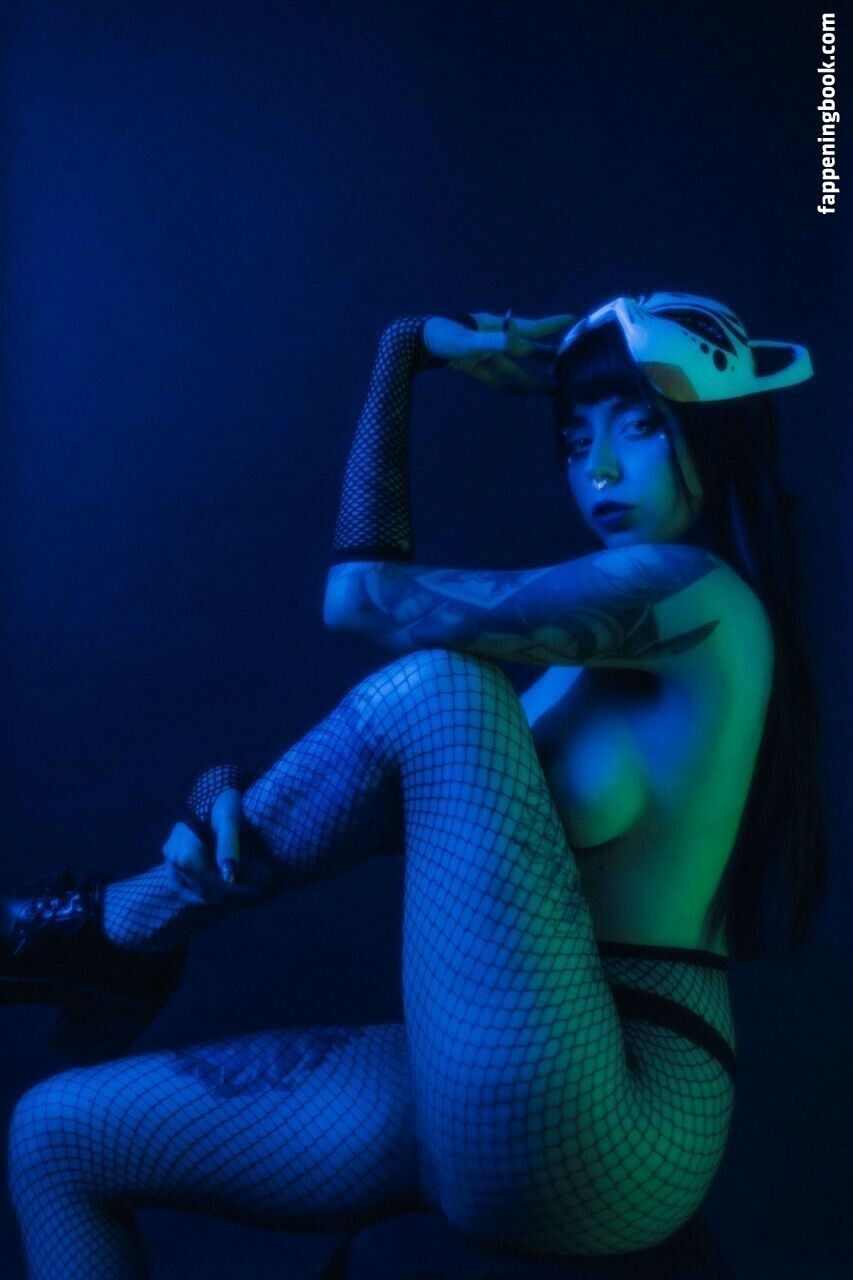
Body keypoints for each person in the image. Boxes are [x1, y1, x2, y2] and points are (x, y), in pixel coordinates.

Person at [2, 293, 827, 1276]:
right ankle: (130, 930)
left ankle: (120, 930)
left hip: (630, 1102)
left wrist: (401, 356)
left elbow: (362, 599)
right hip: (490, 1046)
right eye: (575, 440)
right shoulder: (577, 667)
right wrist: (232, 795)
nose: (599, 471)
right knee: (55, 1133)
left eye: (639, 427)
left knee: (443, 684)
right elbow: (413, 810)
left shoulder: (692, 594)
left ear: (719, 431)